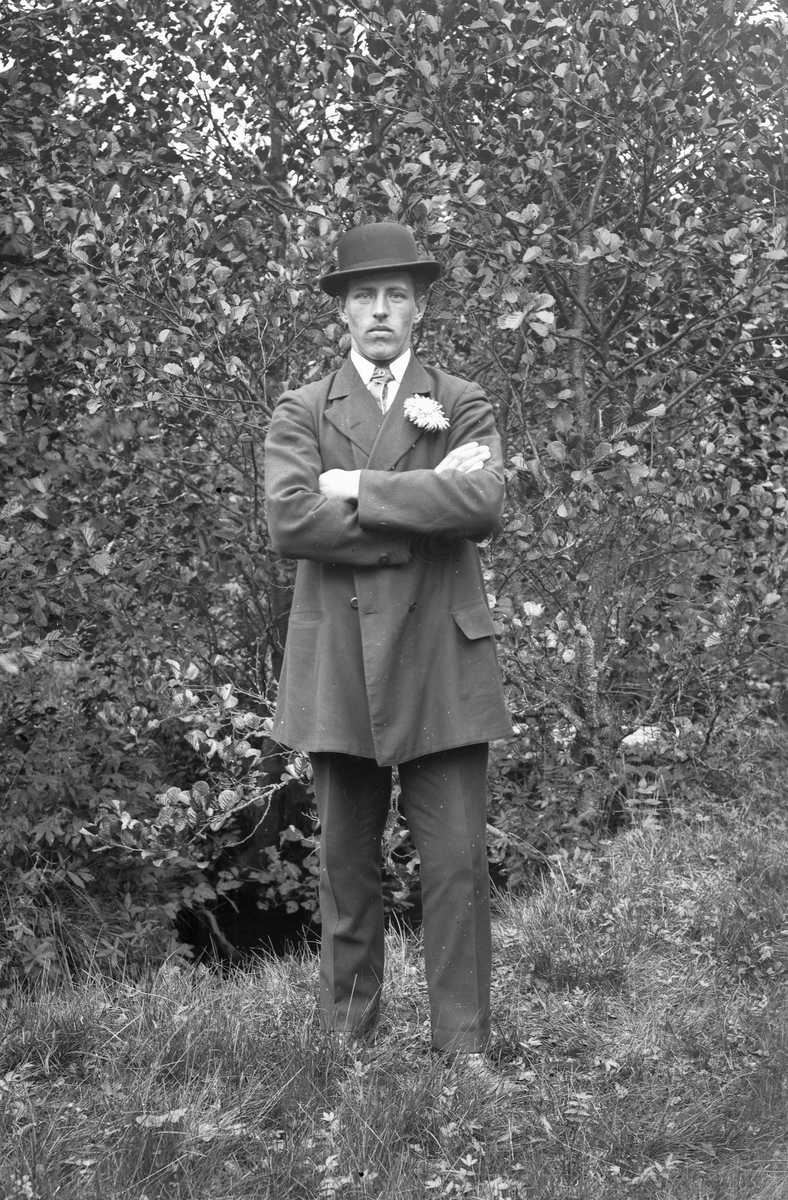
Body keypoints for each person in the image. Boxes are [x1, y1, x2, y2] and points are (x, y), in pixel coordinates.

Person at [264, 222, 512, 1077]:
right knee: (344, 860)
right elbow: (291, 520)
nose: (379, 309)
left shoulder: (462, 399)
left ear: (419, 309)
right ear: (342, 310)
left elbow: (482, 505)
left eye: (396, 295)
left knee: (456, 861)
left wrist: (357, 487)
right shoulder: (302, 408)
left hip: (443, 654)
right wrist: (422, 503)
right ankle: (350, 1040)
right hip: (339, 660)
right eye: (363, 295)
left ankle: (463, 1045)